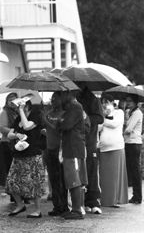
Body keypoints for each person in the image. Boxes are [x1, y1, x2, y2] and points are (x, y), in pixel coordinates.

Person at [6, 100, 45, 218]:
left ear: (27, 106)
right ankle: (20, 205)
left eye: (19, 107)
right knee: (12, 181)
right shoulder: (18, 118)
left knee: (34, 182)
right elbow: (9, 134)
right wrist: (17, 135)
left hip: (33, 154)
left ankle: (37, 210)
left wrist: (22, 111)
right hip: (19, 154)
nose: (17, 109)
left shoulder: (36, 115)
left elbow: (27, 126)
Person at [58, 91, 88, 220]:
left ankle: (77, 210)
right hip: (71, 148)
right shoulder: (72, 107)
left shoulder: (75, 107)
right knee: (72, 179)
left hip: (74, 148)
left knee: (75, 179)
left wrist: (60, 120)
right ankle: (76, 209)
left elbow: (66, 125)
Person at [76, 85, 104, 214]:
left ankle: (94, 201)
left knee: (92, 170)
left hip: (90, 141)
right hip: (76, 141)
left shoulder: (93, 100)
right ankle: (81, 202)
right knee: (79, 172)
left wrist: (85, 116)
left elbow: (99, 118)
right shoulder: (71, 98)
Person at [42, 92, 70, 216]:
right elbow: (47, 129)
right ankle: (56, 206)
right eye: (52, 98)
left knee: (62, 180)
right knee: (53, 179)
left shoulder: (64, 114)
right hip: (49, 149)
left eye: (55, 98)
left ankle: (64, 206)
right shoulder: (49, 113)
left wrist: (45, 121)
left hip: (60, 150)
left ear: (61, 100)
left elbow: (58, 129)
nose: (52, 101)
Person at [98, 94, 128, 207]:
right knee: (105, 175)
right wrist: (102, 116)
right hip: (104, 147)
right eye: (103, 102)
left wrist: (105, 117)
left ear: (112, 102)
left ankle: (115, 199)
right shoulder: (102, 114)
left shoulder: (119, 112)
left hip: (116, 147)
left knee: (115, 175)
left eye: (107, 102)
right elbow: (98, 128)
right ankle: (105, 199)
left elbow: (114, 124)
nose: (104, 104)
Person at [123, 95, 143, 204]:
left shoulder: (137, 113)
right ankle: (135, 195)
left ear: (135, 102)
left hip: (134, 143)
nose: (128, 103)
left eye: (130, 101)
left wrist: (122, 131)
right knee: (132, 170)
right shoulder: (131, 113)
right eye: (127, 101)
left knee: (135, 170)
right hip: (130, 143)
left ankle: (137, 196)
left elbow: (129, 129)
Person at [0, 93, 19, 186]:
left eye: (14, 100)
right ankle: (13, 195)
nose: (11, 102)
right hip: (7, 143)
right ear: (6, 102)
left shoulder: (18, 112)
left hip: (17, 143)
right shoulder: (4, 112)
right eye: (9, 100)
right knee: (11, 170)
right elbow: (2, 128)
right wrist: (16, 132)